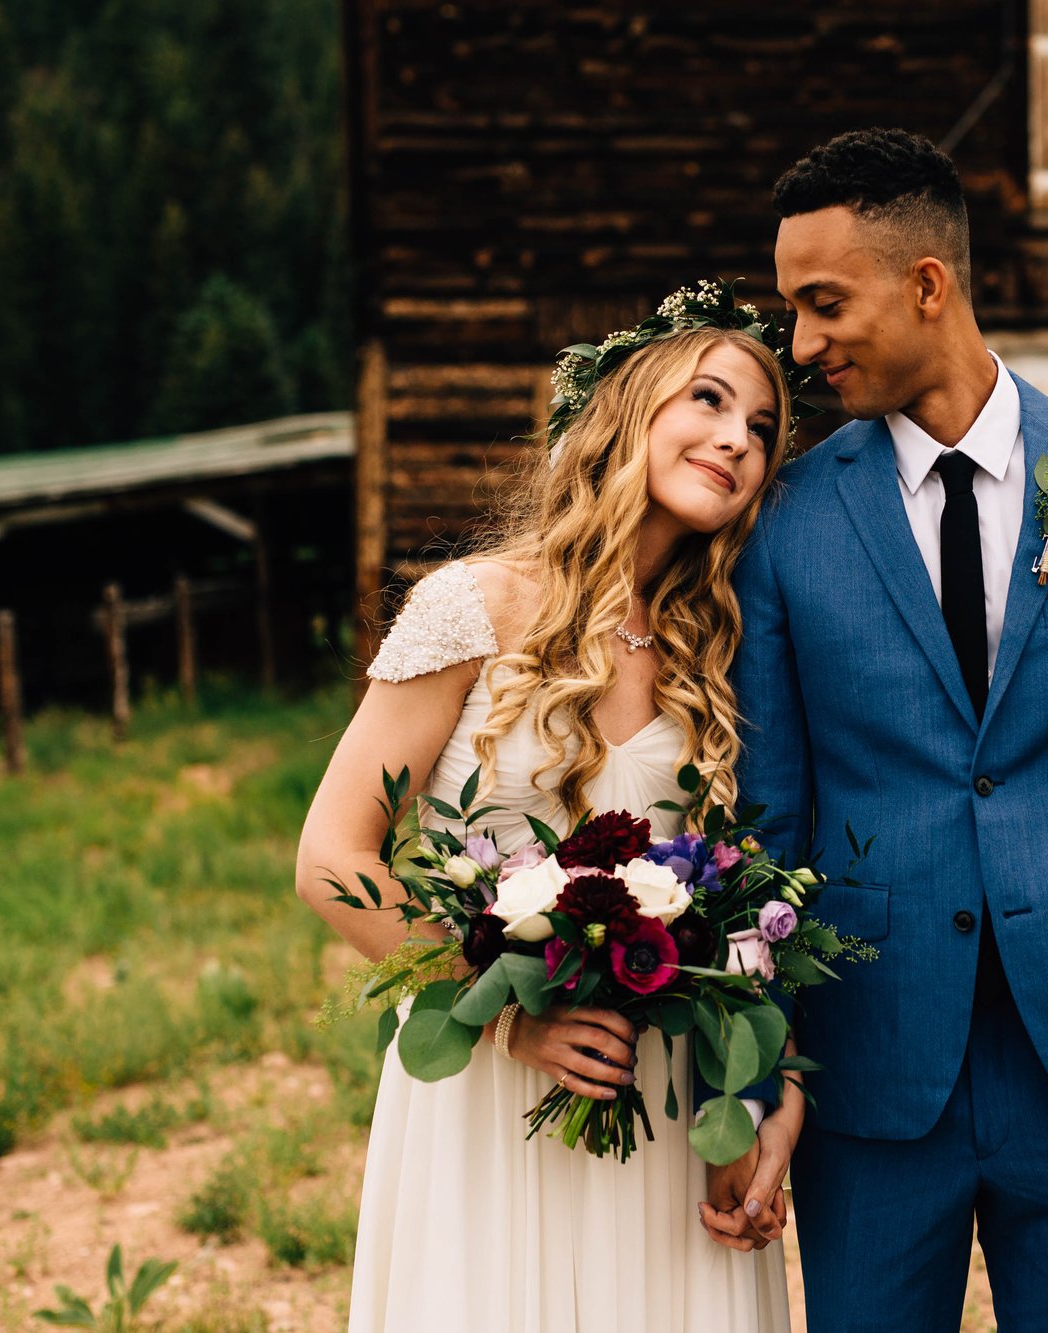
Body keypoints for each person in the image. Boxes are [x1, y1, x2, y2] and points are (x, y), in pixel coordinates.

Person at [730, 128, 1048, 1330]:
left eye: (821, 303)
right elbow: (769, 812)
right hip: (868, 1064)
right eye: (790, 309)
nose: (799, 345)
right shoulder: (787, 520)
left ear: (925, 284)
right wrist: (763, 1067)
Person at [295, 286, 806, 1333]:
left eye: (760, 429)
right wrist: (505, 1015)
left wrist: (756, 1099)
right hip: (495, 1091)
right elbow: (332, 856)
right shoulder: (472, 607)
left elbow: (743, 907)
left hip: (663, 1094)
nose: (736, 440)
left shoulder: (721, 648)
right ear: (625, 410)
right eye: (707, 399)